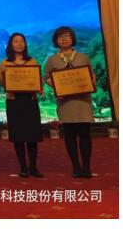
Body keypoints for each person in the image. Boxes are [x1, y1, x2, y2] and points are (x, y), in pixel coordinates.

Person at [44, 26, 96, 178]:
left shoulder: (83, 57)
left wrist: (91, 82)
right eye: (60, 37)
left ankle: (86, 167)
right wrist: (56, 87)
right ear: (56, 41)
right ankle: (76, 167)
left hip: (83, 102)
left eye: (67, 36)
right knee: (69, 135)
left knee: (85, 134)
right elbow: (46, 77)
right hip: (65, 103)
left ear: (72, 38)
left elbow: (91, 75)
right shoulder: (52, 60)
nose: (64, 39)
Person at [0, 33, 43, 178]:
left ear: (25, 44)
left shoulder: (32, 61)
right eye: (16, 41)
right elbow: (1, 83)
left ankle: (33, 167)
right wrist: (3, 74)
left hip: (30, 101)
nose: (19, 44)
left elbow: (38, 80)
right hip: (14, 102)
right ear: (11, 45)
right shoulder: (5, 63)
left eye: (21, 41)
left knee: (32, 136)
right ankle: (23, 167)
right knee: (18, 136)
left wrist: (40, 87)